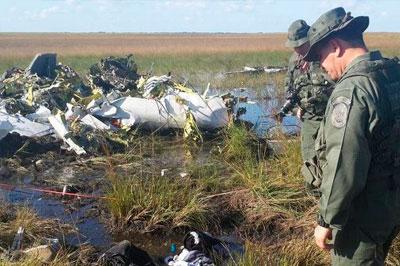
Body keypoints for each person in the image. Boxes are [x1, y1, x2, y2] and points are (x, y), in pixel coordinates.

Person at [303, 7, 400, 265]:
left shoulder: (353, 89)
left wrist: (326, 219)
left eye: (321, 56)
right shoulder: (393, 72)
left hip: (363, 213)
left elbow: (343, 164)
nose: (321, 66)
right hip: (392, 202)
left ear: (335, 46)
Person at [283, 19, 333, 191]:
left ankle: (330, 194)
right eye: (295, 46)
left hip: (331, 116)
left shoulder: (324, 54)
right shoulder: (293, 61)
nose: (298, 49)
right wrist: (297, 107)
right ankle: (315, 194)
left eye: (301, 45)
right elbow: (289, 88)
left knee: (332, 157)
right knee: (310, 157)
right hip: (309, 118)